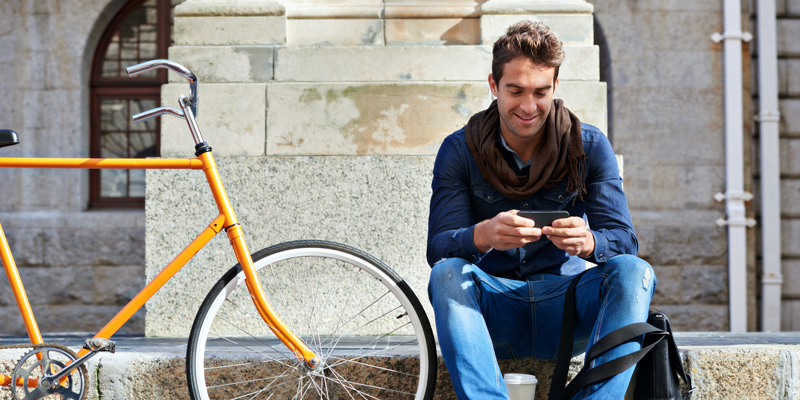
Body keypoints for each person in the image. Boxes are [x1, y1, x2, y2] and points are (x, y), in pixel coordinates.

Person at [427, 20, 655, 399]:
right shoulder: (459, 149)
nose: (528, 107)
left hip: (566, 308)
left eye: (540, 92)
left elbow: (623, 242)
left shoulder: (589, 146)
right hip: (491, 312)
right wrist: (481, 236)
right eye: (515, 90)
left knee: (634, 271)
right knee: (448, 273)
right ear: (493, 85)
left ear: (555, 88)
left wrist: (588, 242)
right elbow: (438, 249)